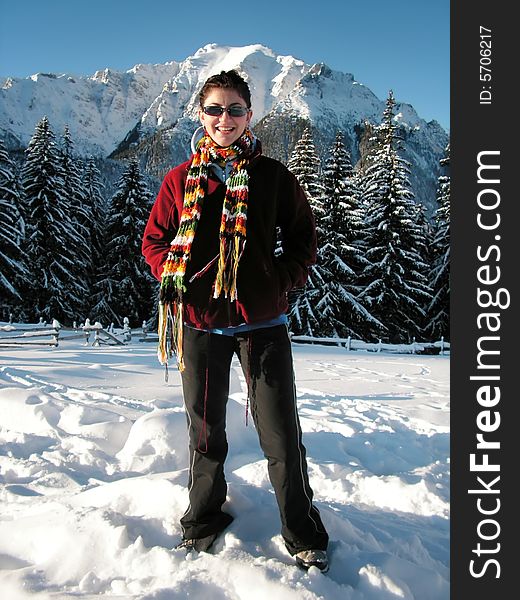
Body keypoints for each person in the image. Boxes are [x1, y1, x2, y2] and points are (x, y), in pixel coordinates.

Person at [142, 69, 329, 572]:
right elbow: (154, 241)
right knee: (204, 431)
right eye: (215, 109)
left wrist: (279, 281)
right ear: (200, 115)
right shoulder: (180, 180)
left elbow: (303, 238)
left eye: (235, 109)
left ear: (250, 115)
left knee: (280, 434)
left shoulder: (273, 177)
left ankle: (301, 529)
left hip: (262, 324)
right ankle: (203, 519)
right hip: (199, 323)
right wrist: (174, 275)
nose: (225, 119)